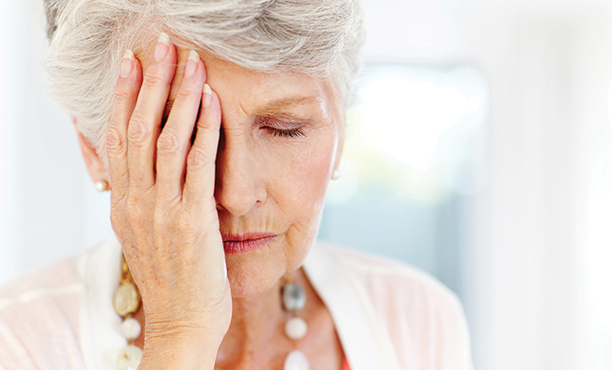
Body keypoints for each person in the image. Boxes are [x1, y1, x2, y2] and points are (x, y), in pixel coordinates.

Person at [0, 1, 473, 369]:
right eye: (181, 134)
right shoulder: (19, 340)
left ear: (341, 134)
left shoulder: (417, 318)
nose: (236, 193)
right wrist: (180, 335)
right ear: (93, 148)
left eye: (286, 128)